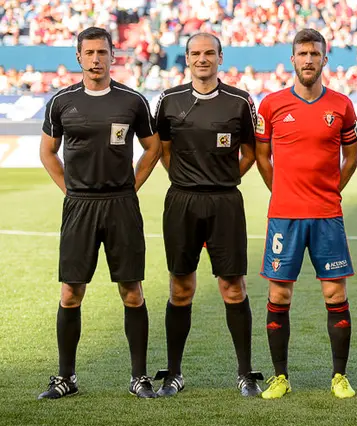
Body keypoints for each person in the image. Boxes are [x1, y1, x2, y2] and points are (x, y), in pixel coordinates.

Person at [37, 27, 162, 399]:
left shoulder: (132, 101)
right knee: (71, 292)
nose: (96, 59)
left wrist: (131, 186)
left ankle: (139, 377)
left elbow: (153, 148)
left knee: (132, 291)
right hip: (80, 206)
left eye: (102, 52)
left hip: (122, 204)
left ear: (113, 55)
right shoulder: (61, 102)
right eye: (89, 53)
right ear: (79, 57)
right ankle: (66, 378)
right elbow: (47, 152)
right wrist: (70, 190)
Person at [152, 32, 261, 397]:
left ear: (220, 57)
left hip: (225, 202)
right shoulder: (169, 100)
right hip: (181, 201)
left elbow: (251, 153)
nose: (202, 59)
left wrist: (224, 178)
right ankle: (174, 373)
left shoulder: (240, 101)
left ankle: (245, 373)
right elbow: (163, 150)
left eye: (209, 53)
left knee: (233, 286)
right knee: (181, 287)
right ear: (186, 58)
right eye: (196, 53)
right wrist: (187, 179)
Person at [254, 28, 357, 400]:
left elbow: (351, 156)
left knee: (334, 292)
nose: (309, 59)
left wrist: (333, 189)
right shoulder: (271, 105)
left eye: (315, 53)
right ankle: (280, 377)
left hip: (327, 214)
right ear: (293, 59)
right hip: (284, 215)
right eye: (303, 54)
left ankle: (339, 377)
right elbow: (262, 157)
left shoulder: (342, 105)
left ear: (324, 59)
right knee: (280, 294)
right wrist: (281, 190)